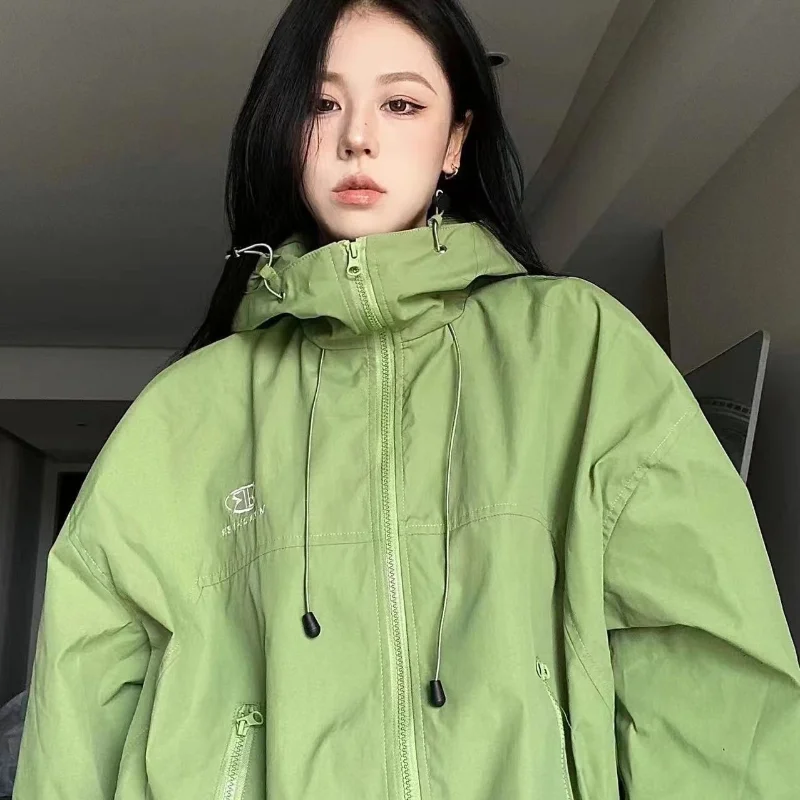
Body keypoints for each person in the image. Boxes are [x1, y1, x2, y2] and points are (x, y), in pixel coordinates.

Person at [14, 0, 800, 797]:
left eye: (400, 103)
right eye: (322, 103)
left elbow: (706, 669)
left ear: (456, 140)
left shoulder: (579, 348)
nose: (358, 136)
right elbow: (79, 711)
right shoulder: (182, 414)